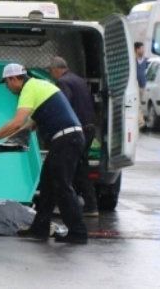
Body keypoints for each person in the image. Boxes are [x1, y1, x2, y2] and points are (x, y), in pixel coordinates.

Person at [0, 63, 88, 244]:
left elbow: (17, 122)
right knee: (48, 185)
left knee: (62, 186)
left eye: (6, 83)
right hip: (69, 139)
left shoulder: (28, 88)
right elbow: (32, 123)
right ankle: (40, 229)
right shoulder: (40, 84)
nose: (6, 87)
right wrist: (13, 138)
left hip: (66, 140)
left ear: (13, 79)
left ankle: (78, 232)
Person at [47, 56, 99, 217]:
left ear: (56, 70)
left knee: (72, 167)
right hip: (89, 127)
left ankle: (80, 205)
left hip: (78, 129)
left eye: (51, 71)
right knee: (79, 167)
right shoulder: (79, 80)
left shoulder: (63, 83)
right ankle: (87, 205)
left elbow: (64, 104)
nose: (51, 74)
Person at [135, 42, 148, 128]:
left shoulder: (147, 61)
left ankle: (140, 121)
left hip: (143, 86)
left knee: (140, 104)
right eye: (141, 48)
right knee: (137, 104)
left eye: (143, 48)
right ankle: (141, 122)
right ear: (137, 50)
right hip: (135, 86)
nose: (143, 50)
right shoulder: (133, 61)